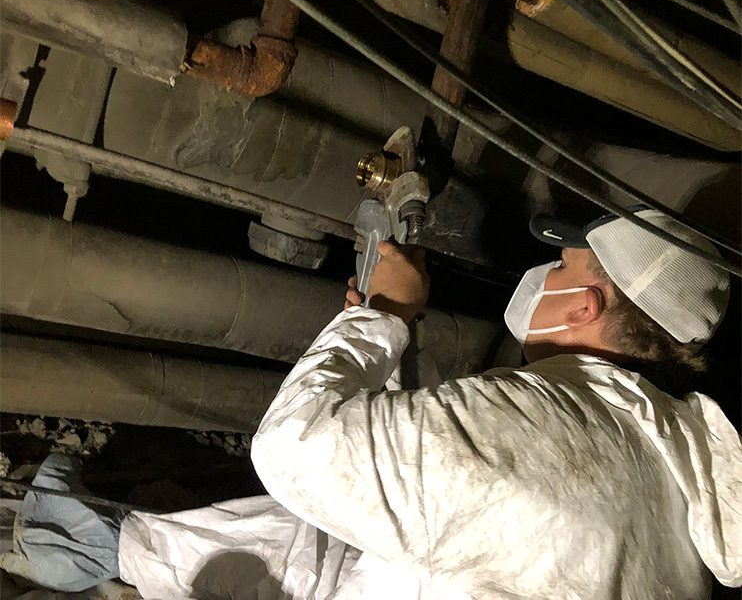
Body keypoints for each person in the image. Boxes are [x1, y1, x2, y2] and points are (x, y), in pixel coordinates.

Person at [4, 209, 741, 599]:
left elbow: (293, 446)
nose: (544, 271)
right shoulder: (657, 466)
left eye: (561, 263)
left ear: (584, 306)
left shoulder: (550, 421)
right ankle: (77, 537)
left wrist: (380, 316)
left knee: (290, 543)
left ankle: (63, 538)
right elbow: (461, 491)